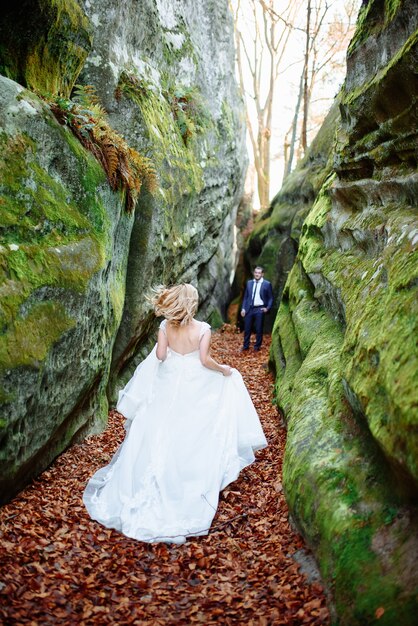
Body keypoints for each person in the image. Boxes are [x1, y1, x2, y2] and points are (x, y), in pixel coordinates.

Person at [83, 283, 267, 544]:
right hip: (194, 381)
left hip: (168, 381)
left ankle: (147, 481)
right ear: (192, 303)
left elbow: (159, 355)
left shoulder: (164, 327)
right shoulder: (203, 329)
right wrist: (224, 369)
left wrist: (169, 352)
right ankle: (183, 480)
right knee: (191, 427)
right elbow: (204, 361)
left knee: (159, 427)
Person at [241, 266, 274, 351]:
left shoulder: (267, 284)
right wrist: (243, 308)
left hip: (260, 309)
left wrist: (267, 308)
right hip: (249, 308)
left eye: (259, 273)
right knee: (247, 328)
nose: (257, 274)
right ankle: (245, 346)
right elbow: (246, 297)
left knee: (259, 329)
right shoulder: (249, 283)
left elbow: (270, 298)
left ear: (262, 274)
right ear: (254, 273)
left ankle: (257, 347)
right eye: (256, 272)